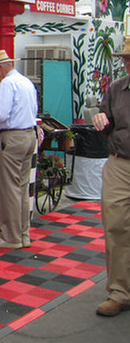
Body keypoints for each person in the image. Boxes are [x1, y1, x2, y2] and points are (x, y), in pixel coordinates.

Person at [0, 50, 38, 249]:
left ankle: (10, 237)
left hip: (12, 137)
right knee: (22, 188)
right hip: (29, 135)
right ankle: (23, 233)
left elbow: (1, 114)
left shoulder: (7, 84)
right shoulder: (26, 82)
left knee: (9, 190)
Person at [91, 37, 130, 317]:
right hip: (120, 163)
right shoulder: (117, 89)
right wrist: (100, 120)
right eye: (126, 59)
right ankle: (119, 291)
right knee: (115, 224)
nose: (127, 63)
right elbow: (106, 121)